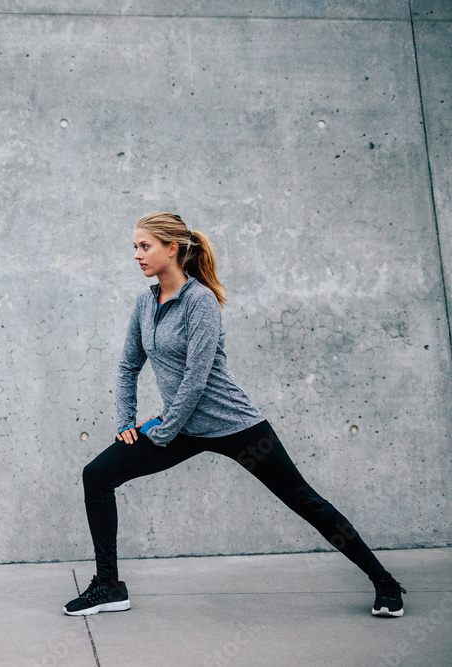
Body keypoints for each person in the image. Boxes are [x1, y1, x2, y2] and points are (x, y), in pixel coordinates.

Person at [64, 212, 405, 618]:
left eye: (144, 246)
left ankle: (385, 583)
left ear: (172, 249)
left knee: (305, 501)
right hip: (180, 427)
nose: (136, 255)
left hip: (234, 426)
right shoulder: (144, 304)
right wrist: (127, 424)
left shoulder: (200, 301)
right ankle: (108, 586)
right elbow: (127, 367)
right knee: (98, 475)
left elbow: (196, 378)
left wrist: (162, 429)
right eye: (134, 247)